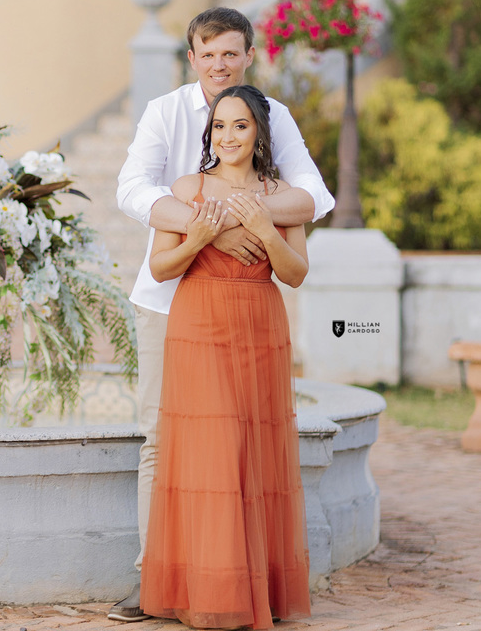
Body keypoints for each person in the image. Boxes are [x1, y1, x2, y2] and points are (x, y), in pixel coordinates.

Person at [110, 7, 332, 623]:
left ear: (248, 55)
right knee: (164, 438)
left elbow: (314, 195)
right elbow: (134, 192)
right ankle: (155, 577)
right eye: (208, 55)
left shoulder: (272, 114)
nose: (219, 64)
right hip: (172, 302)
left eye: (230, 54)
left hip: (252, 301)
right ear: (192, 58)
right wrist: (210, 228)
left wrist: (240, 214)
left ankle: (245, 578)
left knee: (249, 441)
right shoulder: (165, 112)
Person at [141, 84, 311, 628]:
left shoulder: (280, 194)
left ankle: (258, 590)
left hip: (261, 322)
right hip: (200, 323)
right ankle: (209, 593)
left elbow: (296, 273)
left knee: (256, 448)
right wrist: (200, 237)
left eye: (240, 125)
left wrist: (264, 229)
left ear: (259, 131)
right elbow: (162, 268)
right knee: (211, 450)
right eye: (219, 126)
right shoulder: (188, 187)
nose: (228, 136)